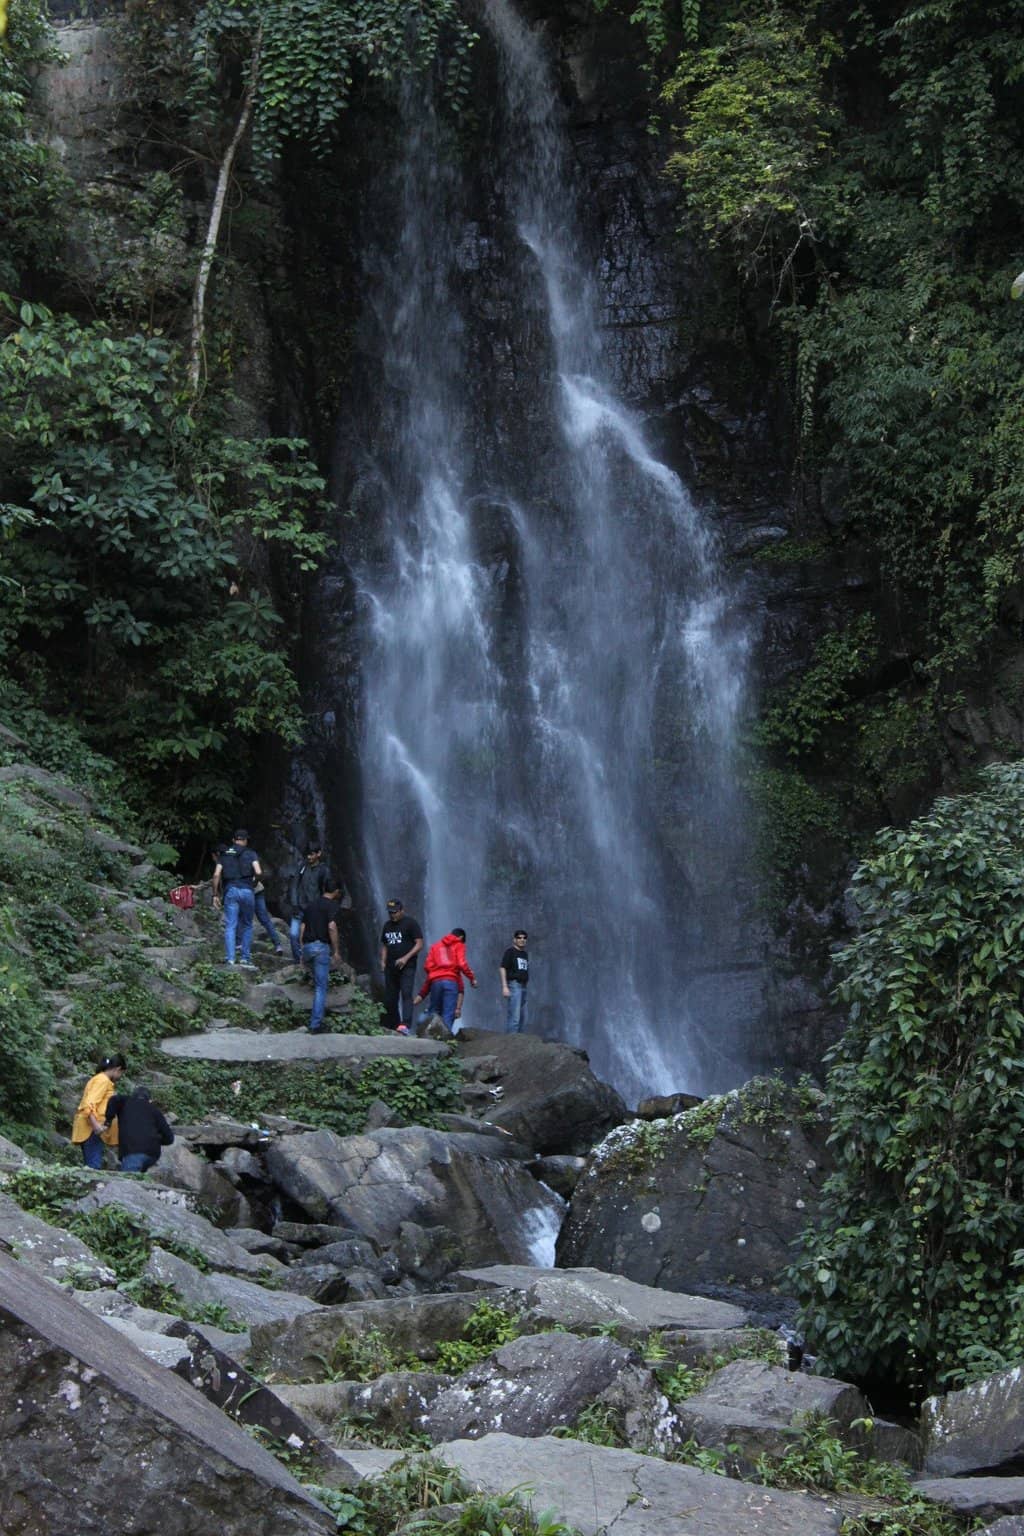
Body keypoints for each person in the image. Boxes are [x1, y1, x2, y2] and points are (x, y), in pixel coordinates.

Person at [212, 829, 261, 968]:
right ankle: (245, 958)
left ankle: (231, 959)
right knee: (247, 925)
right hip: (247, 890)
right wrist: (255, 882)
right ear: (245, 840)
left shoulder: (224, 854)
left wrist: (215, 895)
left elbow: (216, 875)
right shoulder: (251, 853)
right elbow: (258, 872)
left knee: (230, 925)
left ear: (233, 840)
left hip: (231, 890)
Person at [414, 927, 477, 1034]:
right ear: (461, 937)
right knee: (448, 1014)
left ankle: (430, 1038)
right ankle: (445, 1041)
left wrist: (436, 973)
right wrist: (472, 978)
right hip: (450, 982)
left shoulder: (435, 946)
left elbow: (427, 966)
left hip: (435, 983)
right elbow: (462, 964)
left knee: (434, 1013)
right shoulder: (459, 944)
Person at [299, 884, 342, 1033]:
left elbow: (302, 927)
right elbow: (331, 927)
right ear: (336, 891)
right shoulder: (331, 906)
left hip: (308, 947)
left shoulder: (311, 905)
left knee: (315, 981)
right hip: (320, 947)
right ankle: (315, 1025)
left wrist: (302, 949)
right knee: (320, 987)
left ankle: (309, 1016)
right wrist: (336, 951)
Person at [104, 1084, 174, 1173]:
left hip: (133, 1151)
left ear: (133, 1095)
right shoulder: (155, 1111)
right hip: (153, 1154)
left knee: (128, 1182)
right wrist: (155, 1140)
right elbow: (170, 1138)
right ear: (149, 1100)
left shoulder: (126, 1101)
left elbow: (114, 1099)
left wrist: (108, 1120)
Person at [70, 1054, 125, 1168]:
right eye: (121, 1073)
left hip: (92, 1129)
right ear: (118, 1069)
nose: (120, 1076)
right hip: (92, 1129)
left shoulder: (99, 1079)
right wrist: (96, 1126)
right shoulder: (103, 1080)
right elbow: (89, 1104)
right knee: (94, 1166)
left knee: (91, 1165)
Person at [379, 897, 423, 1035]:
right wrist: (383, 961)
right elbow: (385, 945)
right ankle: (395, 1025)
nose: (392, 915)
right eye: (390, 912)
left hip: (407, 966)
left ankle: (406, 1024)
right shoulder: (387, 926)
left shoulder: (411, 924)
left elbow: (419, 943)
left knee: (406, 993)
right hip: (391, 967)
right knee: (390, 997)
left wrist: (405, 958)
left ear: (402, 910)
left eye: (395, 912)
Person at [287, 844, 333, 963]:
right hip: (300, 908)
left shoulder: (324, 870)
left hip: (314, 910)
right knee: (293, 935)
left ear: (318, 854)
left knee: (313, 938)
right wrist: (294, 903)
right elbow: (294, 886)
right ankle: (298, 961)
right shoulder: (302, 867)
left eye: (311, 854)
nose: (309, 857)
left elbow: (327, 891)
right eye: (307, 854)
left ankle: (310, 962)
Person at [500, 929, 530, 1034]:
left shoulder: (525, 954)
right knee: (515, 1016)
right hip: (514, 985)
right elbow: (502, 967)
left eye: (524, 938)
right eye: (519, 938)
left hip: (523, 986)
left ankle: (519, 1041)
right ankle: (511, 1042)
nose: (522, 940)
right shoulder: (510, 952)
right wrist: (505, 986)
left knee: (523, 1016)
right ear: (514, 940)